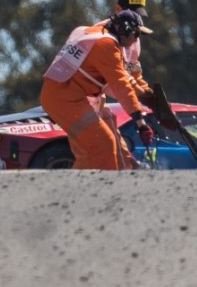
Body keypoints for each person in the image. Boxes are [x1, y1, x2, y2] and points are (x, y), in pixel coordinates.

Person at [40, 10, 156, 170]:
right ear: (125, 30)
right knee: (103, 143)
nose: (136, 40)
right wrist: (140, 123)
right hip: (65, 100)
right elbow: (121, 86)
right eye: (136, 34)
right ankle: (99, 190)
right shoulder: (106, 45)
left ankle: (75, 190)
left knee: (95, 148)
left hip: (66, 97)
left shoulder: (97, 35)